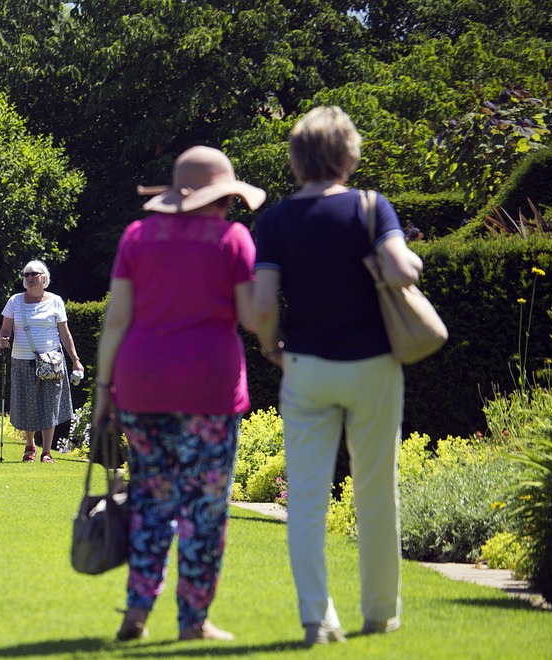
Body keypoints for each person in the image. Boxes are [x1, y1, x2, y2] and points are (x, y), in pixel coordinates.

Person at [250, 106, 422, 646]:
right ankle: (378, 614)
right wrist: (410, 263)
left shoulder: (274, 221)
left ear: (297, 158)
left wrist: (270, 346)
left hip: (306, 366)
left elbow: (259, 305)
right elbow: (399, 269)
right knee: (375, 491)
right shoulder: (372, 208)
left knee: (304, 499)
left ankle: (316, 620)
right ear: (349, 154)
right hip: (373, 365)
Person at [92, 146, 264, 643]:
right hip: (208, 389)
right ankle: (193, 620)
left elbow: (117, 319)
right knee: (203, 508)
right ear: (219, 198)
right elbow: (251, 318)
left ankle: (137, 610)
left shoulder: (137, 237)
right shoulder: (234, 240)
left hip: (141, 386)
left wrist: (104, 389)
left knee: (150, 501)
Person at [0, 260, 84, 462]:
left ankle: (47, 451)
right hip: (22, 360)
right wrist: (3, 338)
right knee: (27, 404)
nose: (28, 278)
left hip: (50, 361)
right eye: (25, 275)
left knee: (49, 405)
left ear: (44, 278)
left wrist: (75, 360)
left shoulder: (55, 301)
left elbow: (65, 334)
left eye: (33, 274)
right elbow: (5, 328)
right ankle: (30, 446)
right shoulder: (14, 301)